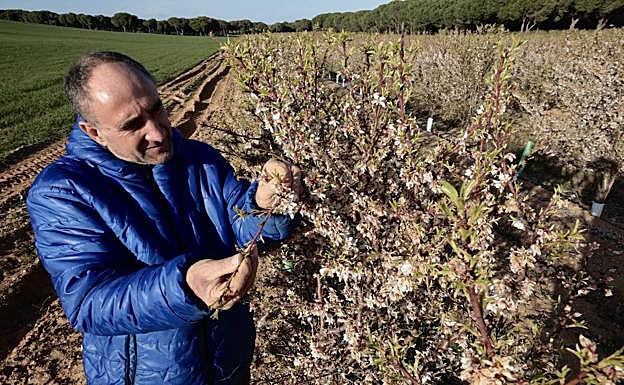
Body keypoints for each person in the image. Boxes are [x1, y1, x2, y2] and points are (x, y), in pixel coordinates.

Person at [26, 51, 301, 385]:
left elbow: (240, 221)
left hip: (227, 362)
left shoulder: (199, 159)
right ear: (94, 132)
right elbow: (89, 302)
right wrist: (184, 286)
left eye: (156, 108)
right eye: (132, 125)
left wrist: (264, 203)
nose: (157, 132)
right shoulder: (64, 192)